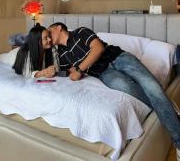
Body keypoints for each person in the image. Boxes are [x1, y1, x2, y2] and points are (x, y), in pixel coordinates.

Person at [48, 22, 180, 158]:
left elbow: (98, 48)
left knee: (152, 86)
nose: (49, 37)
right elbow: (69, 71)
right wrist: (45, 72)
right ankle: (167, 107)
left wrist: (79, 69)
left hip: (119, 58)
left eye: (50, 31)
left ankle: (179, 141)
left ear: (58, 28)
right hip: (104, 72)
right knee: (126, 87)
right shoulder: (61, 54)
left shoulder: (80, 32)